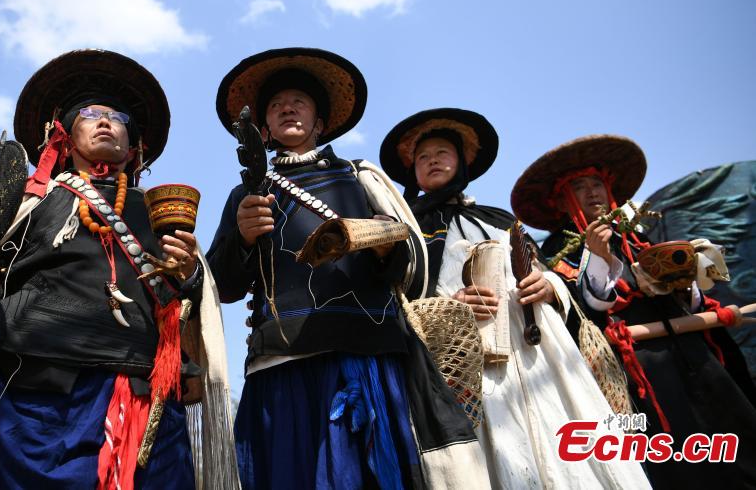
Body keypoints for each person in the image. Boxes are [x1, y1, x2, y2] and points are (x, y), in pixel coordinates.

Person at [0, 50, 236, 490]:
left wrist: (190, 276)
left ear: (134, 142)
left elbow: (194, 305)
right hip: (36, 407)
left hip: (146, 404)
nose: (106, 121)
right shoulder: (31, 206)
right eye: (91, 113)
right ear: (63, 134)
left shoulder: (160, 212)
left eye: (117, 116)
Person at [207, 48, 489, 489]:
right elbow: (222, 287)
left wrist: (381, 243)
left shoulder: (360, 178)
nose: (288, 108)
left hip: (364, 357)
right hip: (280, 362)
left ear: (319, 122)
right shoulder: (245, 194)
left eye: (300, 101)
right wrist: (241, 237)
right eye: (277, 105)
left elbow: (413, 270)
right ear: (262, 127)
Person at [379, 110, 651, 489]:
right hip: (468, 364)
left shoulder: (499, 219)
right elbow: (400, 301)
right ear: (413, 171)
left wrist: (550, 287)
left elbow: (547, 273)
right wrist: (450, 307)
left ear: (461, 161)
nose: (433, 161)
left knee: (565, 436)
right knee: (503, 454)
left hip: (539, 353)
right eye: (423, 157)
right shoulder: (407, 233)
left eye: (442, 152)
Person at [511, 134, 756, 488]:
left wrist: (687, 279)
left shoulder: (644, 242)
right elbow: (590, 310)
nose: (592, 192)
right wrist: (598, 256)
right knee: (677, 463)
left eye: (597, 183)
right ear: (561, 203)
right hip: (639, 375)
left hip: (695, 357)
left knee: (738, 441)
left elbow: (694, 304)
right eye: (579, 187)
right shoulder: (558, 258)